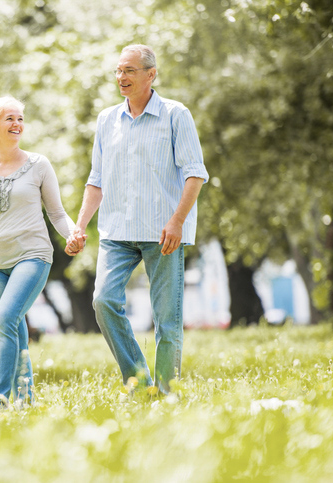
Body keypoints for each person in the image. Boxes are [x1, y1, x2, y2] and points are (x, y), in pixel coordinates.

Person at [66, 44, 209, 395]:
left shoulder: (176, 115)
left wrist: (177, 221)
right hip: (117, 231)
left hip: (163, 232)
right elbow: (96, 179)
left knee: (167, 322)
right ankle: (140, 381)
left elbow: (195, 174)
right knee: (103, 301)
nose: (121, 77)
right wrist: (80, 225)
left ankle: (166, 393)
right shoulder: (106, 120)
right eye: (118, 71)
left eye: (130, 70)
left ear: (151, 74)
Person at [0, 96, 76, 409]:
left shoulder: (39, 165)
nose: (17, 124)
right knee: (13, 327)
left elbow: (57, 213)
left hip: (32, 255)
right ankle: (25, 399)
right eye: (10, 118)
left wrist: (72, 233)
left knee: (3, 320)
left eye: (20, 118)